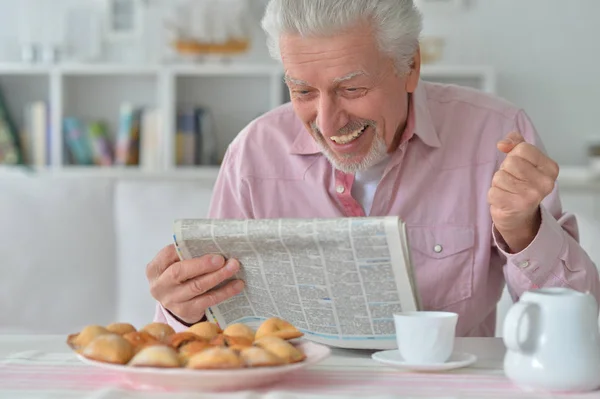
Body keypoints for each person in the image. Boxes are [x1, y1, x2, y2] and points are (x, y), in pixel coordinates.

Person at [146, 0, 600, 337]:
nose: (326, 122)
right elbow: (208, 340)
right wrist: (182, 312)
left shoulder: (497, 135)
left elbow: (579, 324)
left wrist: (523, 230)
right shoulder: (253, 154)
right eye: (302, 92)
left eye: (352, 88)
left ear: (410, 66)